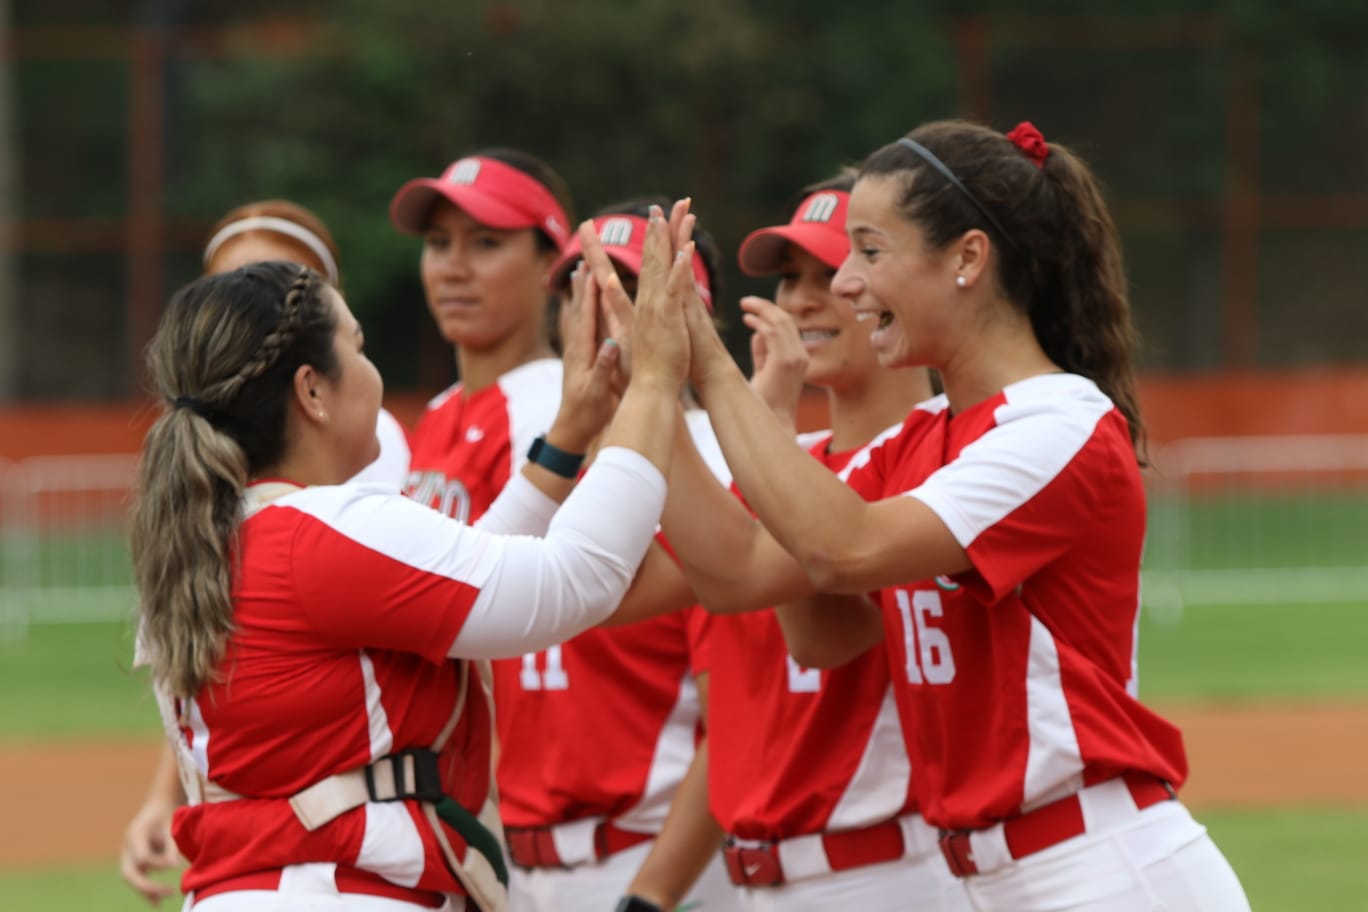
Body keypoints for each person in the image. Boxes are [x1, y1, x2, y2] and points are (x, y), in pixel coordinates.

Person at [645, 121, 1251, 911]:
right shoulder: (919, 441)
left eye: (869, 250)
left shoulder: (1057, 425)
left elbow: (840, 550)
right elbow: (735, 573)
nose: (847, 284)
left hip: (1100, 869)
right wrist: (655, 383)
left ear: (967, 257)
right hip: (994, 879)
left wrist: (713, 370)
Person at [127, 207, 695, 910]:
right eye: (358, 348)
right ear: (312, 391)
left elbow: (469, 569)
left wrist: (571, 432)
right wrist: (654, 386)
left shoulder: (220, 530)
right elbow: (574, 579)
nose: (371, 370)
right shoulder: (322, 531)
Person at [618, 175, 969, 912]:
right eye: (789, 278)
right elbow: (624, 589)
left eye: (836, 270)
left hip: (892, 867)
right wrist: (651, 375)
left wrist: (740, 407)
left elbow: (824, 634)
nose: (805, 298)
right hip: (761, 879)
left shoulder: (945, 458)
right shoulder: (789, 456)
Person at [120, 199, 411, 905]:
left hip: (340, 841)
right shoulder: (197, 455)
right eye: (232, 282)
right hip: (261, 849)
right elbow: (213, 649)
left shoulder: (369, 446)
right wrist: (171, 792)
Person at [489, 199, 739, 912]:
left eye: (628, 288)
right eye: (582, 289)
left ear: (691, 313)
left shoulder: (718, 473)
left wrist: (651, 895)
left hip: (652, 862)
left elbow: (738, 721)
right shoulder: (539, 463)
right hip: (526, 867)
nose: (601, 311)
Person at [388, 150, 571, 524]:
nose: (453, 269)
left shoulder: (555, 410)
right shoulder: (441, 409)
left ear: (550, 264)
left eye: (485, 242)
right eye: (439, 243)